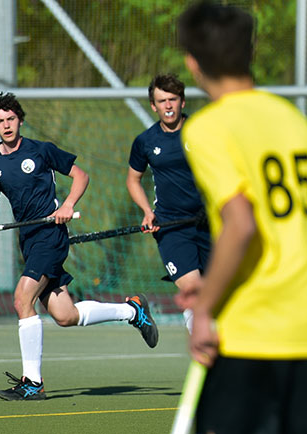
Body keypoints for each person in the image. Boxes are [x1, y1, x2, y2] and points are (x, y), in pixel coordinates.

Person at [176, 2, 307, 432]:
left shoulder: (209, 128)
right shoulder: (294, 121)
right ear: (252, 52)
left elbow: (241, 223)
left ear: (193, 64)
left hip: (248, 335)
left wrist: (206, 306)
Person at [0, 92, 159, 401]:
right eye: (0, 121)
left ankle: (33, 383)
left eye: (11, 119)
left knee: (21, 299)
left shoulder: (41, 151)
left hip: (50, 236)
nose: (6, 125)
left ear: (20, 120)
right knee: (65, 315)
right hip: (28, 241)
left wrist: (66, 205)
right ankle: (131, 310)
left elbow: (81, 175)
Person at [126, 73, 211, 332]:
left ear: (182, 102)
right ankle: (208, 360)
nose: (168, 106)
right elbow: (133, 180)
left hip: (209, 223)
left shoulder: (203, 130)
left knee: (215, 297)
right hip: (171, 227)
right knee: (194, 291)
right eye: (162, 101)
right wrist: (146, 212)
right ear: (153, 105)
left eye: (173, 99)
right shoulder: (145, 142)